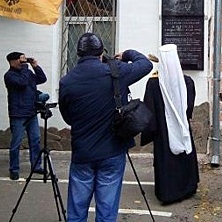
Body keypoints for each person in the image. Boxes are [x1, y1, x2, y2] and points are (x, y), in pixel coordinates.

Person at [58, 33, 152, 222]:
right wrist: (126, 54)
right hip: (112, 151)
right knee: (107, 210)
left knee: (76, 210)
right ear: (101, 53)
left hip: (82, 153)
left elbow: (67, 117)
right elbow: (146, 64)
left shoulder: (67, 81)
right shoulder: (116, 72)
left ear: (79, 54)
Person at [141, 45, 199, 204]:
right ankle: (187, 187)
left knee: (166, 160)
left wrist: (150, 131)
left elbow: (149, 110)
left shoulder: (153, 84)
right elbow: (189, 108)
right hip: (182, 128)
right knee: (184, 157)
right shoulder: (186, 81)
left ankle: (168, 193)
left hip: (163, 133)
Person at [4, 52, 47, 180]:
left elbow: (42, 79)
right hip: (18, 114)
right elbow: (22, 83)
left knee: (35, 140)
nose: (24, 62)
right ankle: (14, 169)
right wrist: (25, 67)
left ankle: (36, 166)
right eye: (21, 59)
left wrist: (35, 67)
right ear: (13, 61)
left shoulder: (27, 72)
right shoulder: (9, 76)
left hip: (31, 113)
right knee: (16, 143)